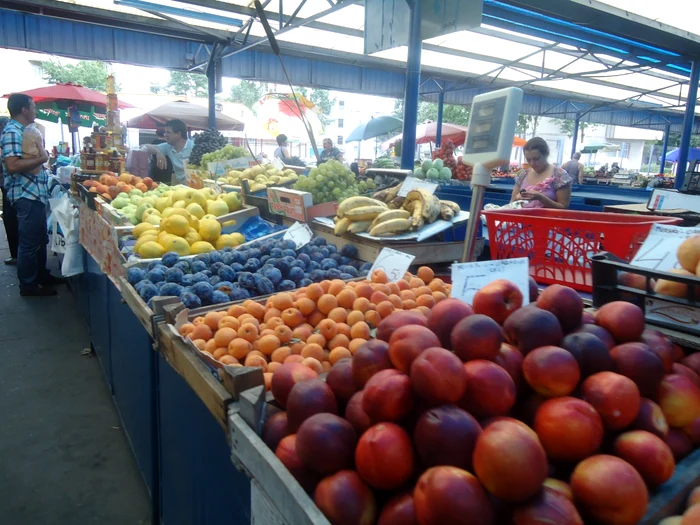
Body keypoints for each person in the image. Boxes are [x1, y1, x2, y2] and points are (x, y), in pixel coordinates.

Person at [1, 94, 57, 296]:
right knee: (29, 242)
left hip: (35, 193)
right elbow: (12, 165)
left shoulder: (24, 131)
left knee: (39, 239)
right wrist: (42, 158)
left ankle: (41, 275)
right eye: (33, 107)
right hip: (25, 194)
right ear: (24, 110)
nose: (35, 110)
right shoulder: (12, 132)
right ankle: (28, 285)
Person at [510, 137, 572, 209]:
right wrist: (516, 199)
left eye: (536, 159)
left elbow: (563, 207)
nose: (532, 163)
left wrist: (541, 198)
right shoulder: (523, 174)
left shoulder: (559, 175)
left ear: (546, 154)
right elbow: (511, 203)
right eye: (528, 159)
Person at [141, 119, 193, 184]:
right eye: (165, 132)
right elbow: (144, 146)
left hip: (195, 186)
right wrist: (158, 152)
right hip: (181, 187)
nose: (165, 135)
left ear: (178, 134)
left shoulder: (194, 147)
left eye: (168, 132)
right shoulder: (168, 146)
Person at [0, 117, 18, 265]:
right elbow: (11, 166)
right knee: (11, 218)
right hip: (9, 186)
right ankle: (16, 254)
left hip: (8, 185)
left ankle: (16, 254)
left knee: (11, 218)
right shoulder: (9, 136)